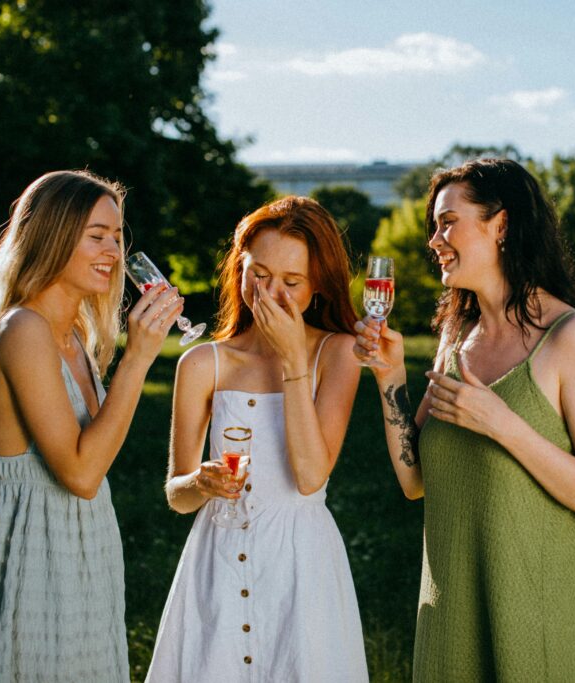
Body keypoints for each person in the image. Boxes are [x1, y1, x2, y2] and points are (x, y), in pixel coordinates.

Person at [354, 158, 575, 682]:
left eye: (448, 222)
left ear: (500, 225)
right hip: (449, 619)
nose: (434, 239)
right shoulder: (457, 337)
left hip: (536, 622)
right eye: (435, 226)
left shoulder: (572, 338)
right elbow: (415, 483)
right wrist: (389, 377)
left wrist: (505, 426)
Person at [0, 170, 184, 682]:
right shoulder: (24, 331)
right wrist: (139, 358)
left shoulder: (74, 336)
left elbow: (96, 452)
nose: (114, 252)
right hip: (36, 554)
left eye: (118, 237)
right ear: (53, 236)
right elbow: (80, 473)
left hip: (83, 546)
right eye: (96, 235)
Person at [145, 196, 369, 682]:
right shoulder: (203, 364)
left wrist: (292, 361)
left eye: (291, 282)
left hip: (301, 567)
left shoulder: (339, 354)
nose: (270, 293)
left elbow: (310, 478)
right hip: (219, 564)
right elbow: (176, 495)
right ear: (238, 267)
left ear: (317, 287)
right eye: (259, 274)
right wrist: (200, 483)